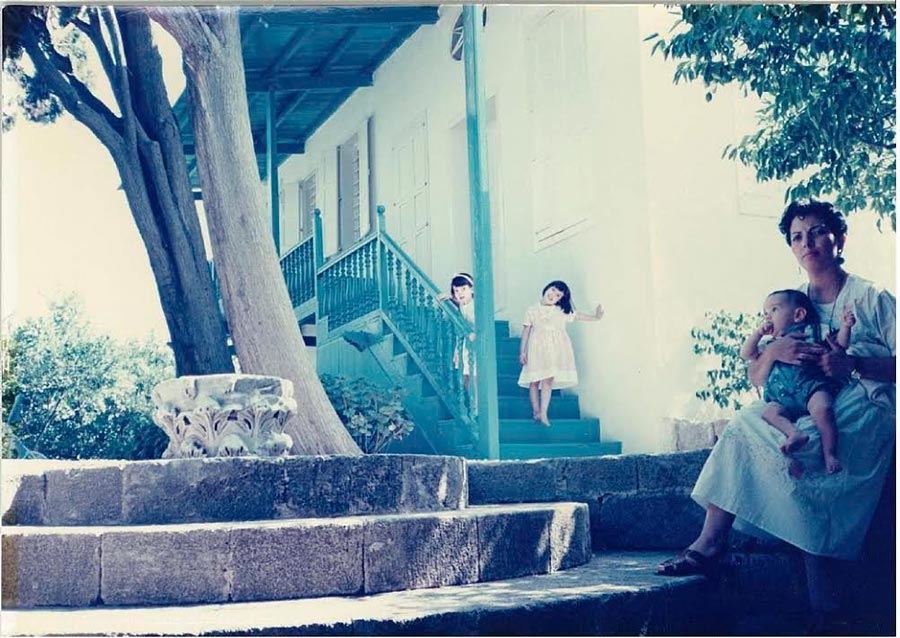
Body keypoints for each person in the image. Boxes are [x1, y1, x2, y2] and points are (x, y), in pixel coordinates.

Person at [657, 201, 895, 630]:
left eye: (818, 232)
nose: (808, 243)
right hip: (804, 404)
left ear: (839, 239)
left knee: (805, 455)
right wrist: (771, 351)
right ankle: (711, 544)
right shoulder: (789, 304)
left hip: (864, 406)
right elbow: (756, 375)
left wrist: (854, 364)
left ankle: (825, 603)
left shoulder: (870, 297)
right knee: (748, 422)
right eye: (797, 237)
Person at [740, 289, 855, 474]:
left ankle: (830, 454)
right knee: (769, 413)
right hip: (782, 395)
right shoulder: (771, 342)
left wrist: (846, 326)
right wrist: (758, 334)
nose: (768, 317)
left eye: (774, 310)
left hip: (812, 386)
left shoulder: (815, 330)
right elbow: (746, 354)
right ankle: (794, 433)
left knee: (824, 410)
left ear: (799, 314)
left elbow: (840, 344)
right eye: (765, 314)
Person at [517, 280, 604, 426]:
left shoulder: (560, 311)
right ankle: (536, 411)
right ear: (546, 289)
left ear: (560, 299)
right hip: (536, 349)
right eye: (553, 291)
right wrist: (522, 352)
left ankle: (544, 412)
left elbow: (578, 316)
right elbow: (526, 331)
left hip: (555, 351)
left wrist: (595, 317)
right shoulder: (532, 310)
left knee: (548, 379)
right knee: (534, 380)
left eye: (557, 295)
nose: (553, 295)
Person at [438, 272, 476, 387]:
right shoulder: (462, 303)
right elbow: (458, 301)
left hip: (476, 342)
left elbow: (482, 323)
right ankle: (471, 402)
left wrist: (475, 333)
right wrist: (450, 297)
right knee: (465, 375)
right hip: (465, 341)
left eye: (463, 289)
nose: (460, 293)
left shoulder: (476, 305)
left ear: (471, 289)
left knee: (474, 374)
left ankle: (477, 403)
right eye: (456, 291)